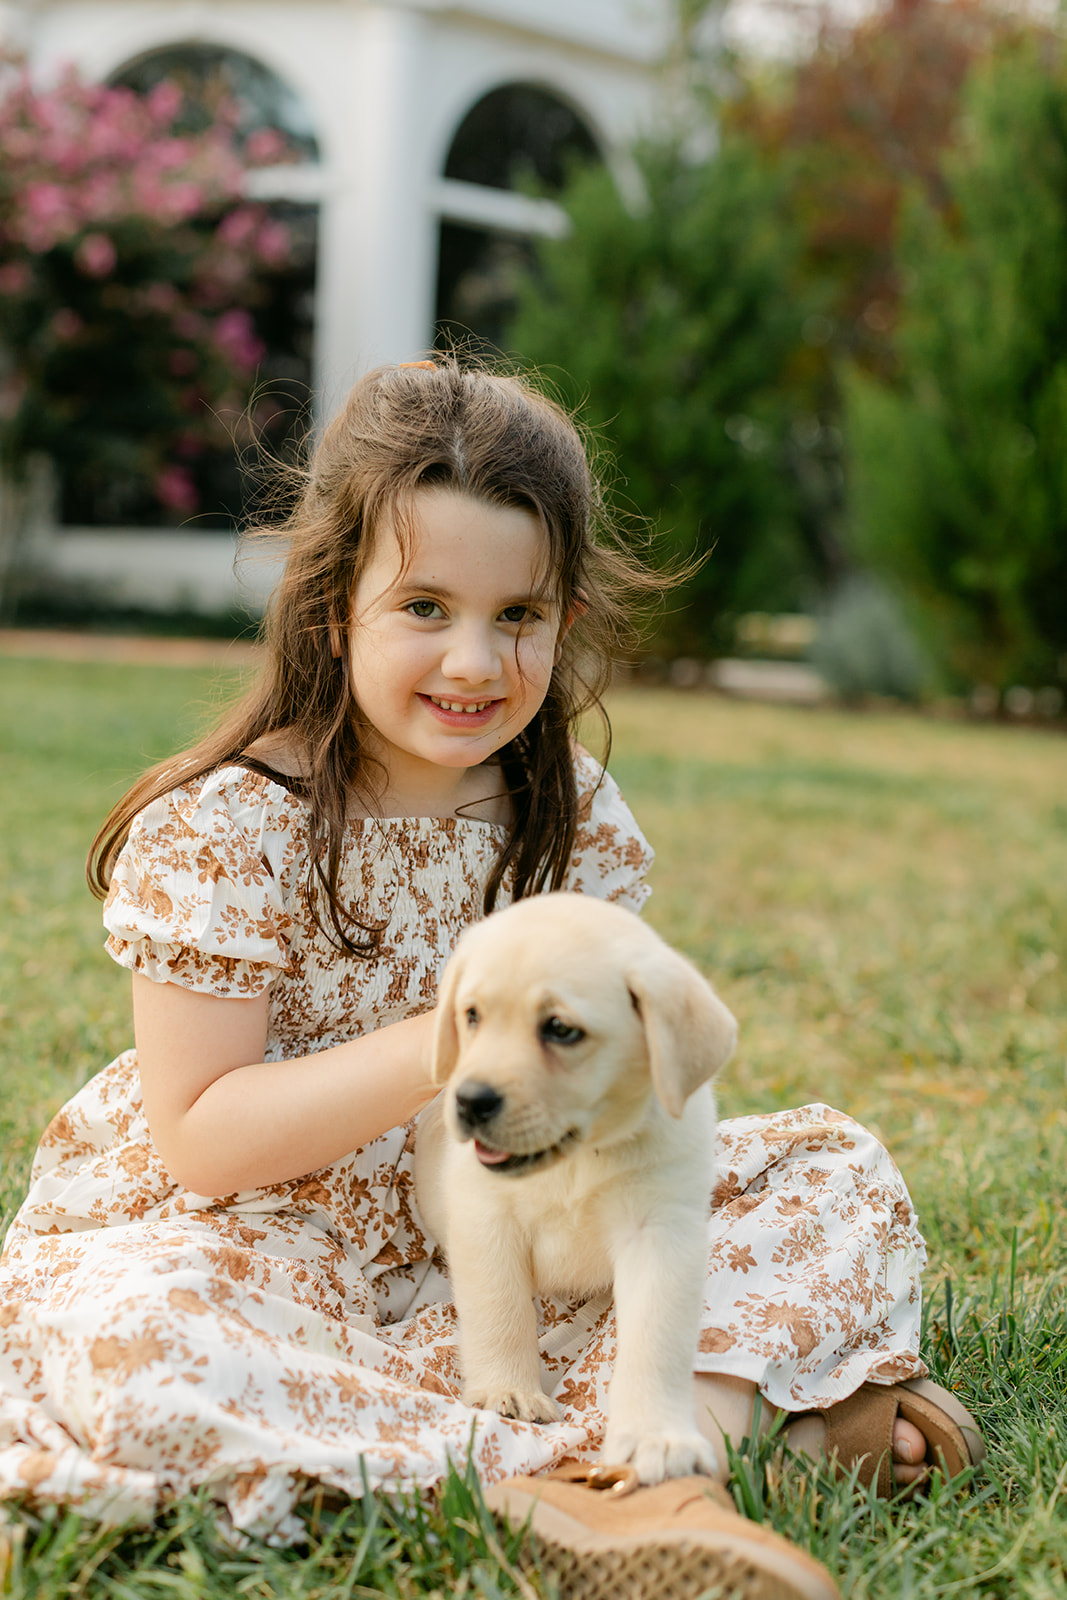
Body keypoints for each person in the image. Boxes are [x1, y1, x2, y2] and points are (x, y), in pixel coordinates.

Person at [0, 359, 982, 1597]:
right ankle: (744, 1447)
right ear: (331, 604)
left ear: (565, 619)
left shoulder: (564, 808)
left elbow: (627, 1098)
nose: (474, 659)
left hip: (535, 1219)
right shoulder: (231, 828)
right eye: (423, 605)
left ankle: (652, 1451)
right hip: (270, 1237)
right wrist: (455, 1033)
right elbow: (200, 1143)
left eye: (517, 615)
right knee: (131, 1338)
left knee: (830, 1173)